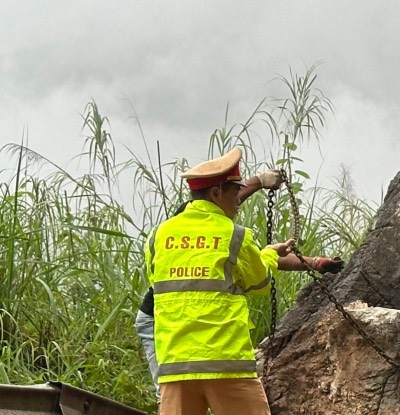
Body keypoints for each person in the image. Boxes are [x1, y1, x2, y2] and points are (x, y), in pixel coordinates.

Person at [146, 147, 333, 415]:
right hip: (226, 360)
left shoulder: (160, 235)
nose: (236, 196)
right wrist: (269, 252)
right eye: (233, 189)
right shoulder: (235, 235)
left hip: (175, 363)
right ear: (215, 194)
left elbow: (155, 280)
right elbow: (259, 280)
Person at [135, 169, 343, 398]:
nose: (236, 203)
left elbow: (260, 258)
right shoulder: (192, 225)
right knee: (167, 397)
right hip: (158, 319)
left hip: (183, 324)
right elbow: (262, 267)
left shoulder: (220, 233)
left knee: (179, 398)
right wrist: (259, 182)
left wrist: (316, 263)